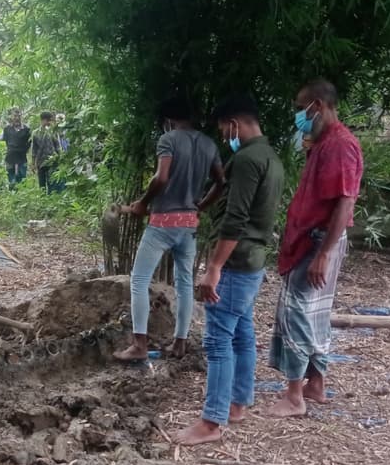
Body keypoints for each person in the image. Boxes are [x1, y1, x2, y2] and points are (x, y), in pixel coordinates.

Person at [174, 94, 285, 446]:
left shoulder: (248, 159)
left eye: (225, 131)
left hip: (236, 262)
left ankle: (212, 421)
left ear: (235, 124)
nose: (226, 138)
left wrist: (214, 267)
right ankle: (237, 403)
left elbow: (235, 218)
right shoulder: (271, 158)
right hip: (254, 259)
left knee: (218, 339)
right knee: (242, 332)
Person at [267, 79, 363, 418]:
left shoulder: (339, 145)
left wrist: (322, 253)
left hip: (317, 241)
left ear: (317, 106)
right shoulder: (324, 144)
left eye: (299, 109)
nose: (297, 116)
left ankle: (294, 396)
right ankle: (315, 383)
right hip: (314, 239)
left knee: (296, 313)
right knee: (315, 313)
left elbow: (345, 202)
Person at [114, 96, 225, 362]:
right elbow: (221, 182)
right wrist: (201, 206)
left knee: (139, 281)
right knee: (185, 284)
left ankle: (139, 344)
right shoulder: (209, 144)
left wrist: (142, 203)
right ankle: (180, 342)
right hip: (189, 223)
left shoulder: (169, 140)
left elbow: (161, 177)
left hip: (163, 221)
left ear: (168, 121)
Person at [31, 111, 62, 193]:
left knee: (51, 183)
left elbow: (58, 146)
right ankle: (43, 200)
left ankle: (51, 199)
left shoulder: (53, 132)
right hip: (40, 162)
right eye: (48, 121)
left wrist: (60, 158)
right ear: (43, 120)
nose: (49, 123)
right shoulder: (36, 133)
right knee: (42, 184)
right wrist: (33, 163)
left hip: (52, 161)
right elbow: (34, 149)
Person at [2, 108, 31, 188]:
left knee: (22, 178)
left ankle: (21, 197)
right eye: (15, 116)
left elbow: (29, 143)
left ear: (22, 117)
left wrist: (24, 150)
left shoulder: (26, 129)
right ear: (11, 117)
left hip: (22, 157)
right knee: (11, 178)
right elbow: (6, 141)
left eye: (19, 116)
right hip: (10, 156)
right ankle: (12, 196)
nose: (17, 118)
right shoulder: (7, 129)